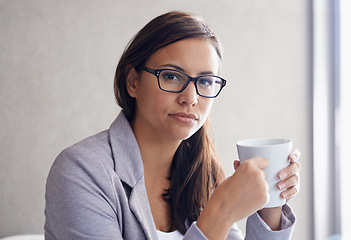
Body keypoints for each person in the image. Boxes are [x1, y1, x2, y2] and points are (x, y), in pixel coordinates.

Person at [44, 11, 301, 240]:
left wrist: (270, 205)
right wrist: (221, 212)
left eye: (206, 81)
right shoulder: (81, 171)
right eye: (171, 76)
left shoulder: (203, 176)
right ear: (132, 81)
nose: (190, 98)